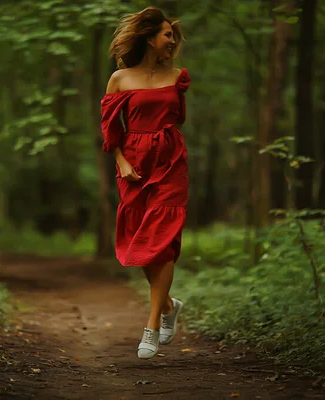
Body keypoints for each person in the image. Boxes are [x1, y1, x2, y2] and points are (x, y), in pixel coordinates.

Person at [100, 7, 190, 359]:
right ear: (150, 37)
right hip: (134, 165)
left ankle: (151, 326)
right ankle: (168, 305)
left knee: (163, 241)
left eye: (173, 35)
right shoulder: (120, 78)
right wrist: (121, 163)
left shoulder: (179, 76)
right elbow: (111, 130)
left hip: (169, 162)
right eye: (168, 34)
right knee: (140, 242)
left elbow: (178, 118)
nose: (173, 40)